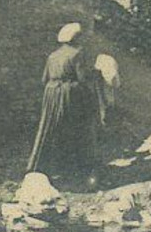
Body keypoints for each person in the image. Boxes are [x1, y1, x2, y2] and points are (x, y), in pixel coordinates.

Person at [26, 23, 101, 185]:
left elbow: (44, 79)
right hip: (69, 93)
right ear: (76, 38)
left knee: (50, 127)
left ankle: (43, 167)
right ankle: (77, 167)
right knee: (75, 127)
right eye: (80, 37)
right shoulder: (77, 54)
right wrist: (96, 74)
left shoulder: (52, 56)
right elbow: (82, 78)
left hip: (51, 94)